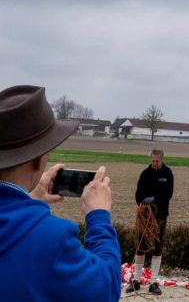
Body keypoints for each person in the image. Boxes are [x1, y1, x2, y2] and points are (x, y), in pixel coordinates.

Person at [0, 83, 121, 301]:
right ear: (39, 159)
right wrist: (99, 217)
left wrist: (30, 199)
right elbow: (107, 288)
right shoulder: (50, 240)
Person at [127, 148, 174, 296]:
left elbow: (168, 194)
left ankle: (153, 283)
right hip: (144, 217)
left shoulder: (167, 173)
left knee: (157, 248)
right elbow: (138, 193)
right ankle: (136, 281)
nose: (155, 163)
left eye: (157, 161)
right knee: (140, 247)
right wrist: (141, 203)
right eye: (153, 161)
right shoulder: (145, 174)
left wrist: (153, 199)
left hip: (160, 217)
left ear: (162, 159)